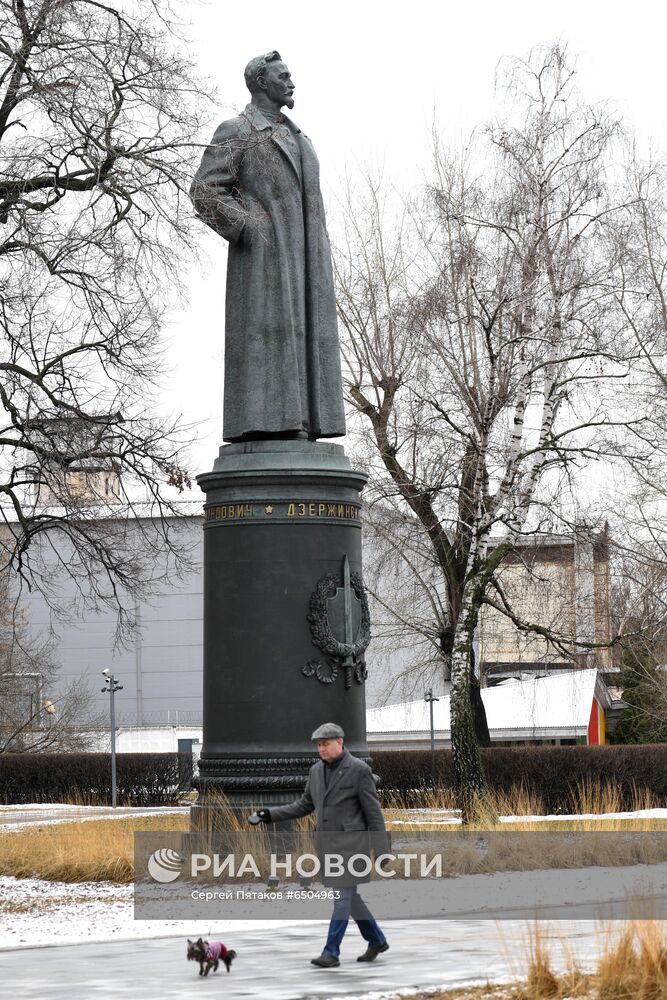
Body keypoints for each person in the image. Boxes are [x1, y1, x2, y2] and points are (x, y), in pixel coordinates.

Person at [189, 52, 346, 443]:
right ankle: (269, 422)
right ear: (261, 82)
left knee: (304, 339)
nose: (292, 83)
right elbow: (204, 191)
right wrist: (249, 225)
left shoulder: (299, 138)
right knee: (269, 340)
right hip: (263, 263)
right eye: (284, 76)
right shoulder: (236, 130)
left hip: (307, 262)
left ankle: (308, 420)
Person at [248, 722, 389, 968]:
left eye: (326, 744)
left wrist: (382, 850)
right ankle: (376, 939)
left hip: (352, 848)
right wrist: (268, 814)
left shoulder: (358, 770)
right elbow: (304, 805)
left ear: (340, 742)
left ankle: (331, 952)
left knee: (342, 898)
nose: (321, 749)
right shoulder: (315, 771)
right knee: (350, 898)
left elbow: (373, 812)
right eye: (319, 745)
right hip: (327, 847)